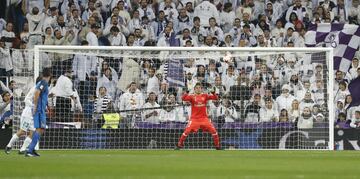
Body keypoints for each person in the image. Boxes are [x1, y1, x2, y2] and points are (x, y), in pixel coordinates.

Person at [176, 83, 221, 150]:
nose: (198, 89)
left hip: (204, 119)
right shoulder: (192, 96)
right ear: (194, 89)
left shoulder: (205, 95)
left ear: (201, 89)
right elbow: (183, 98)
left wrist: (213, 92)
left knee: (214, 131)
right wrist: (187, 92)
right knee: (186, 131)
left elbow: (215, 98)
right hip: (194, 119)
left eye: (199, 88)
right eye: (196, 88)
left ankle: (217, 146)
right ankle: (179, 145)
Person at [5, 77, 41, 154]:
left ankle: (22, 149)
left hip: (33, 115)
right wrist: (34, 106)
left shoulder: (40, 90)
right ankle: (9, 145)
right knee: (22, 132)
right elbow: (26, 99)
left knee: (32, 132)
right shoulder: (34, 89)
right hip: (28, 113)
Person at [25, 68, 52, 157]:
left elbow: (40, 94)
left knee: (41, 129)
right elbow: (37, 93)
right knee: (39, 129)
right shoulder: (44, 82)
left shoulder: (42, 83)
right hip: (39, 110)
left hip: (41, 109)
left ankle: (31, 149)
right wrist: (36, 106)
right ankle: (29, 150)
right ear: (50, 75)